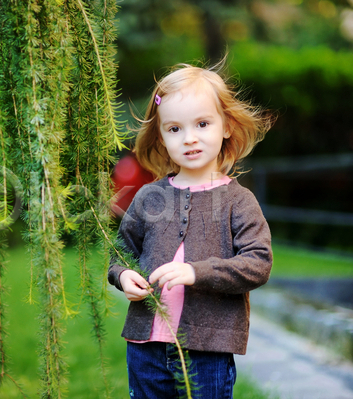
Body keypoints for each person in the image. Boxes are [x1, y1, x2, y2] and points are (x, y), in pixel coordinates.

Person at [108, 61, 274, 399]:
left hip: (206, 348)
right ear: (162, 137)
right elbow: (120, 251)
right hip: (145, 346)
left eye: (202, 123)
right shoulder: (149, 197)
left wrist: (196, 272)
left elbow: (258, 263)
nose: (190, 138)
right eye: (174, 129)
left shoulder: (238, 201)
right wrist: (123, 276)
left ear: (226, 126)